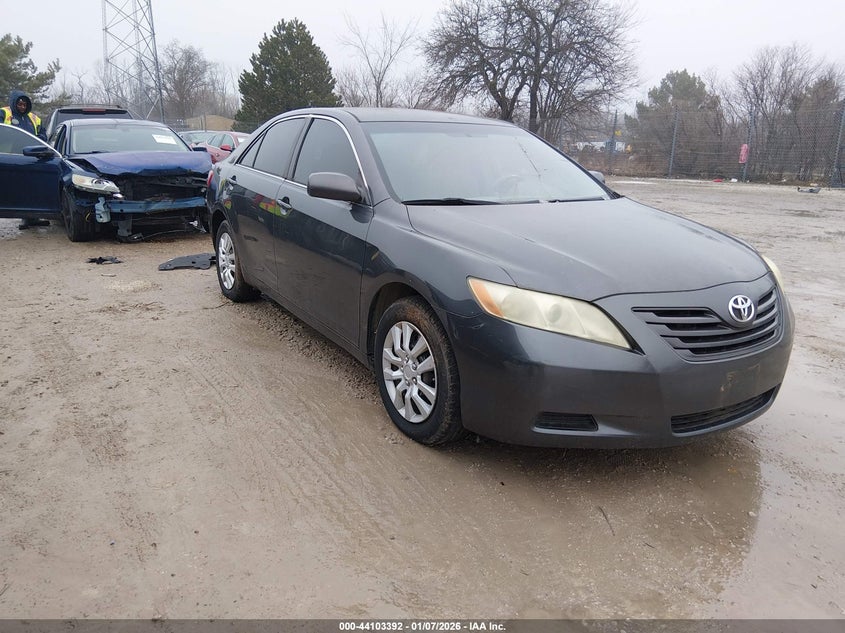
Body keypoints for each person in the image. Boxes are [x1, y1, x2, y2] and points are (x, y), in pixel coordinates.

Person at [2, 90, 50, 229]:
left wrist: (38, 140)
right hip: (7, 157)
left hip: (29, 158)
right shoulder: (4, 113)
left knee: (28, 187)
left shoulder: (34, 118)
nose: (22, 107)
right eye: (19, 104)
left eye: (24, 104)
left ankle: (30, 218)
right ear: (14, 103)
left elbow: (42, 134)